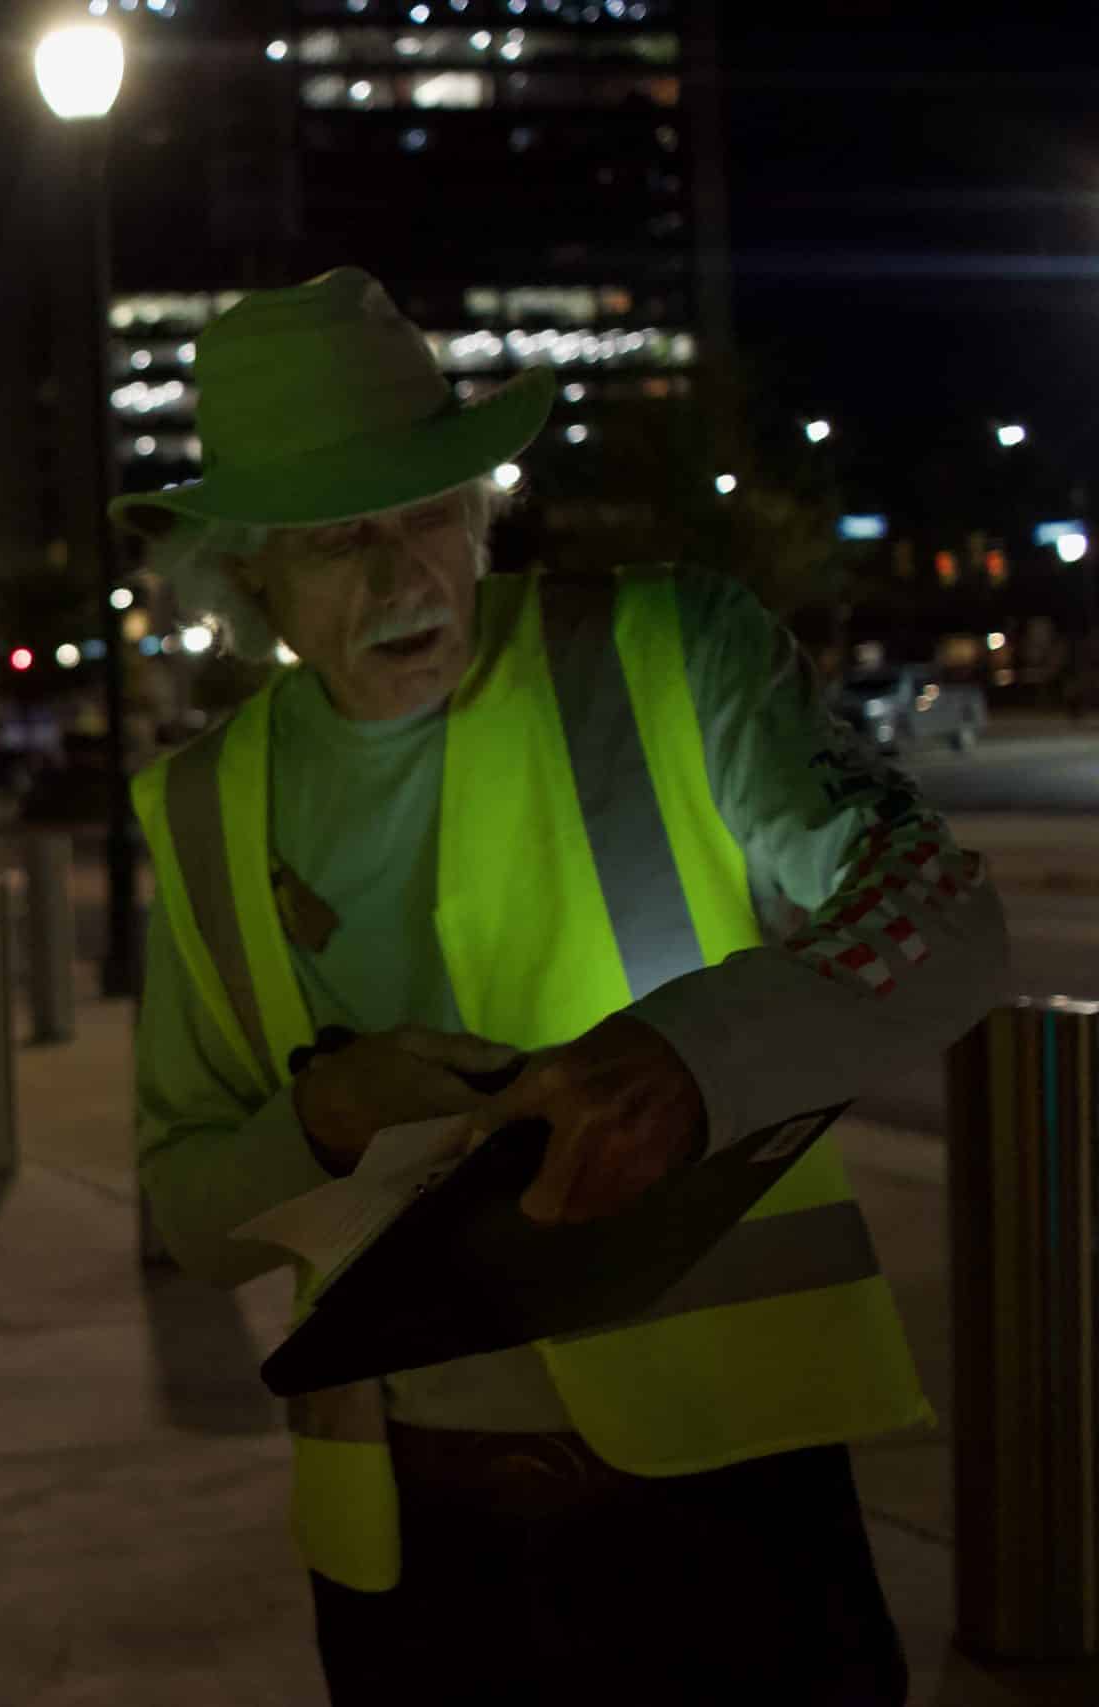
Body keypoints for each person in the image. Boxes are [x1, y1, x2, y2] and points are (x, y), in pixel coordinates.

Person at [115, 269, 1008, 1705]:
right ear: (248, 576)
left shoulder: (669, 650)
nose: (404, 575)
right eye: (340, 538)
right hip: (409, 1556)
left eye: (428, 512)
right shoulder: (200, 805)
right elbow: (190, 1213)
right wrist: (324, 1121)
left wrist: (689, 1059)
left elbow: (942, 912)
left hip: (731, 1508)